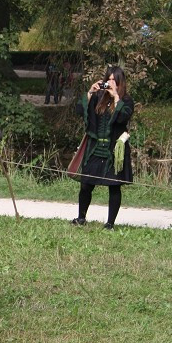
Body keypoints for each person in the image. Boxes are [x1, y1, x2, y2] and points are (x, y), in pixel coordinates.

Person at [70, 66, 134, 230]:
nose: (111, 82)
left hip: (113, 150)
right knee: (85, 184)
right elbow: (79, 110)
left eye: (114, 80)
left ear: (120, 82)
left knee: (114, 186)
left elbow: (122, 118)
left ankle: (110, 224)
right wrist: (90, 93)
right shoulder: (99, 97)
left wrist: (116, 98)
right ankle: (81, 218)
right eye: (109, 79)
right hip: (95, 148)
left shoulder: (126, 100)